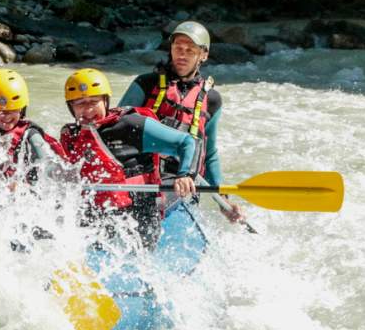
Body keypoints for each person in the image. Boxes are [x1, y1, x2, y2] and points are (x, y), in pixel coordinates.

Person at [56, 68, 198, 249]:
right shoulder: (73, 135)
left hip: (139, 215)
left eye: (94, 101)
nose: (88, 109)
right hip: (98, 213)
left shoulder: (130, 125)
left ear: (105, 101)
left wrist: (185, 174)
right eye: (80, 103)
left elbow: (185, 142)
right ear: (71, 107)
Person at [117, 20, 243, 222]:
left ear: (203, 55)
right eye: (178, 48)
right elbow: (115, 129)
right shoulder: (145, 84)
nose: (182, 55)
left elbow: (209, 154)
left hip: (183, 185)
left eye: (190, 50)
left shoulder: (211, 100)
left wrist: (224, 201)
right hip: (142, 177)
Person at [0, 68, 60, 185]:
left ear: (22, 109)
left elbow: (48, 169)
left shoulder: (30, 135)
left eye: (13, 109)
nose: (6, 116)